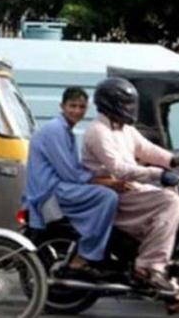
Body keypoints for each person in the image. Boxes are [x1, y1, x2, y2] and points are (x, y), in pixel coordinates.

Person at [82, 77, 179, 292]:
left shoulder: (124, 129)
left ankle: (158, 256)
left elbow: (147, 149)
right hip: (110, 191)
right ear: (110, 103)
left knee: (173, 194)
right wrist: (158, 174)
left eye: (131, 104)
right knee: (168, 200)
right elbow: (119, 169)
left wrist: (177, 160)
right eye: (126, 104)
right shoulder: (98, 131)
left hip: (128, 188)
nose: (130, 109)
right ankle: (149, 267)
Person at [24, 87, 124, 275]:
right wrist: (105, 182)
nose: (77, 111)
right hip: (50, 191)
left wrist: (102, 176)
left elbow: (74, 169)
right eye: (72, 106)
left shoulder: (66, 130)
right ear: (62, 106)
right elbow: (71, 174)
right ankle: (86, 254)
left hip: (57, 187)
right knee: (107, 197)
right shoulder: (56, 130)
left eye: (82, 107)